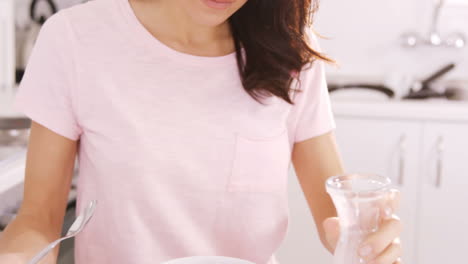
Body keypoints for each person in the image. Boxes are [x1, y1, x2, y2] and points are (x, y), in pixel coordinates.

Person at [0, 0, 402, 263]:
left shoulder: (289, 48)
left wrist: (362, 241)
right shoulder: (76, 38)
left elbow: (335, 214)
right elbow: (39, 219)